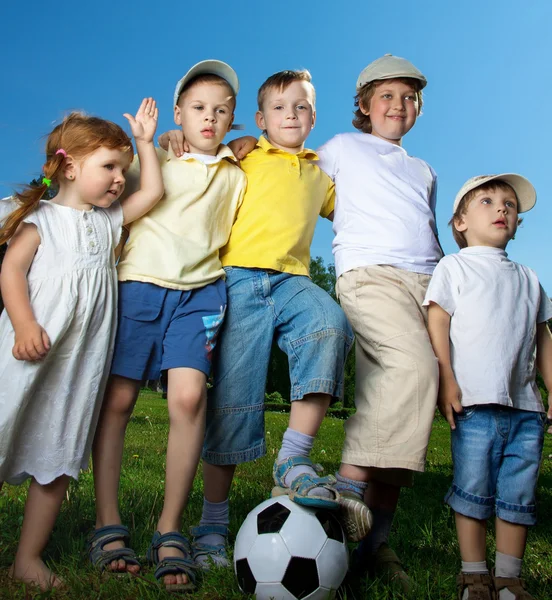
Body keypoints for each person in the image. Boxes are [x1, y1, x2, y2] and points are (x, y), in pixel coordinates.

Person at [159, 69, 367, 571]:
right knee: (233, 400)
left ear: (314, 117)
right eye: (278, 108)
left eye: (300, 108)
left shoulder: (321, 175)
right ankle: (211, 524)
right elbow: (203, 152)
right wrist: (176, 138)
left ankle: (293, 457)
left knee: (330, 325)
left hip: (292, 280)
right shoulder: (247, 152)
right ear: (260, 118)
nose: (290, 116)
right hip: (237, 278)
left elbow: (359, 212)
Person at [90, 60, 246, 592]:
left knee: (187, 400)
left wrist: (248, 146)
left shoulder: (238, 171)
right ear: (179, 112)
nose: (211, 118)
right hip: (139, 285)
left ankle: (169, 528)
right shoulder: (153, 156)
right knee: (117, 401)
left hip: (202, 293)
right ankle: (107, 522)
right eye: (199, 108)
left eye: (222, 111)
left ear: (233, 120)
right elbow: (104, 190)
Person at [0, 98, 163, 590]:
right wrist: (25, 323)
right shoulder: (42, 220)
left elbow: (152, 190)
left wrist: (145, 144)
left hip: (77, 369)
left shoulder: (108, 221)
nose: (120, 179)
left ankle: (27, 559)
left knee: (58, 456)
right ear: (69, 166)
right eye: (109, 167)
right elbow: (10, 271)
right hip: (29, 355)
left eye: (123, 169)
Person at [313, 54, 442, 593]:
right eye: (387, 95)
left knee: (397, 401)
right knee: (414, 372)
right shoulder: (343, 147)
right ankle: (342, 504)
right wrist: (248, 148)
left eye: (410, 98)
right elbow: (299, 182)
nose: (399, 105)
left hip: (427, 283)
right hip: (370, 276)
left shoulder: (423, 170)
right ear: (364, 105)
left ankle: (372, 544)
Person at [424, 174, 552, 600]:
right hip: (474, 403)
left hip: (526, 408)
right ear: (460, 222)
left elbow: (543, 337)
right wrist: (447, 378)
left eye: (510, 205)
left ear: (516, 223)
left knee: (519, 491)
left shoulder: (529, 277)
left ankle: (510, 578)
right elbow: (438, 320)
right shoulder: (454, 266)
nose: (502, 209)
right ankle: (474, 574)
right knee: (472, 488)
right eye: (488, 201)